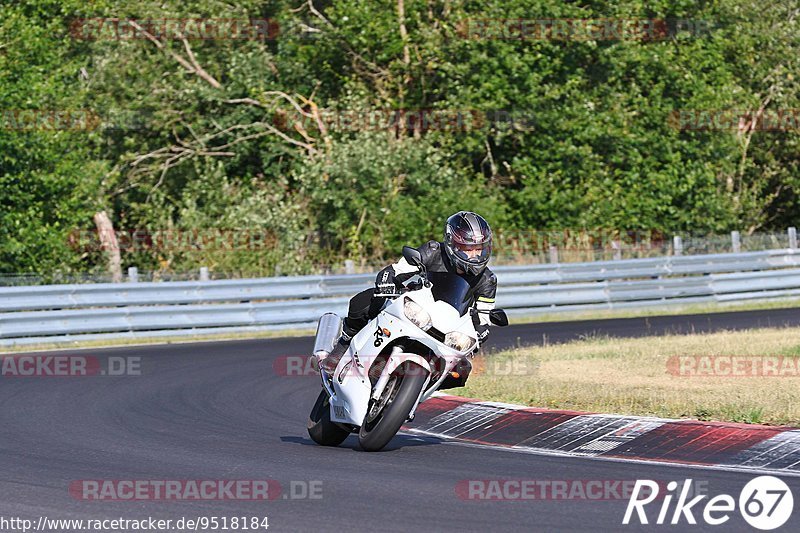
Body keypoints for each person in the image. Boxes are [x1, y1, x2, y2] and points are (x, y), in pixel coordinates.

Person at [318, 211, 497, 388]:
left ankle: (415, 391)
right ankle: (342, 347)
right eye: (467, 249)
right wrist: (387, 283)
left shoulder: (487, 281)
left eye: (479, 249)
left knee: (462, 371)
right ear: (452, 244)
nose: (474, 255)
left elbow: (483, 318)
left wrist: (480, 333)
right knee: (364, 301)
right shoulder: (433, 251)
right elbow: (395, 270)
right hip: (416, 308)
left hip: (447, 330)